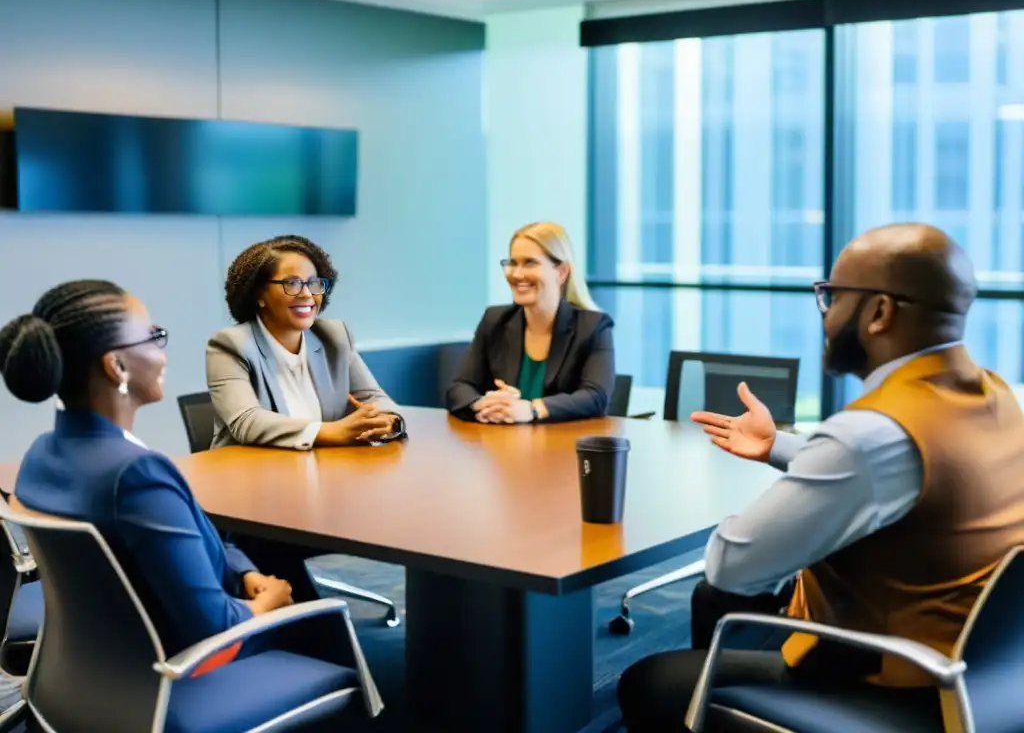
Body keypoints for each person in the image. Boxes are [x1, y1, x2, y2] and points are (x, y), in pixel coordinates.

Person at [617, 223, 1024, 732]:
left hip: (897, 687)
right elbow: (897, 472)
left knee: (647, 679)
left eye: (832, 296)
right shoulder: (995, 396)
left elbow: (733, 566)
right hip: (985, 679)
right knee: (710, 605)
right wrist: (779, 448)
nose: (826, 315)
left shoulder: (869, 434)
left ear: (879, 312)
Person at [0, 280, 296, 663]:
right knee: (312, 616)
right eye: (153, 337)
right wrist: (270, 603)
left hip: (103, 662)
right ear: (117, 365)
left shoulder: (41, 453)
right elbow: (215, 630)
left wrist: (242, 573)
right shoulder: (136, 475)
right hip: (183, 669)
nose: (162, 355)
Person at [207, 234, 404, 451]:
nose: (307, 294)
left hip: (323, 470)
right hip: (247, 474)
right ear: (259, 295)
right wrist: (333, 431)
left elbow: (374, 397)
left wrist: (390, 421)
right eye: (292, 283)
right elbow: (247, 421)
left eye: (314, 283)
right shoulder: (230, 345)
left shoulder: (334, 336)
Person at [446, 221, 615, 424]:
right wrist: (483, 404)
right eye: (512, 263)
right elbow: (460, 387)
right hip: (501, 448)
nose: (516, 274)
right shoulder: (495, 320)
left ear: (561, 272)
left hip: (562, 449)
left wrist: (532, 409)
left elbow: (595, 396)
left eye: (529, 263)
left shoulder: (593, 326)